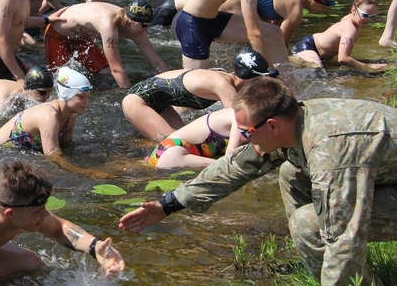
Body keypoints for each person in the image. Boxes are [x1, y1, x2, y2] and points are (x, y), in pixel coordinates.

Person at [120, 77, 397, 286]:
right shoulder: (296, 122)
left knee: (308, 225)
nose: (243, 139)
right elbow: (237, 167)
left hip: (356, 167)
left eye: (245, 132)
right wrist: (168, 204)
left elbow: (343, 237)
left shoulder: (330, 151)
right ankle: (318, 261)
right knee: (292, 173)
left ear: (272, 125)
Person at [122, 47, 277, 140]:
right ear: (250, 76)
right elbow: (237, 122)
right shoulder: (223, 84)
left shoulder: (227, 79)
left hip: (160, 103)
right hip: (138, 100)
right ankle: (127, 155)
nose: (263, 84)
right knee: (169, 145)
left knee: (183, 141)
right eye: (262, 79)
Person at [45, 0, 168, 89]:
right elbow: (117, 70)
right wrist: (130, 94)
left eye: (149, 25)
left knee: (106, 75)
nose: (146, 30)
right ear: (131, 20)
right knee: (57, 83)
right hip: (57, 35)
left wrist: (172, 84)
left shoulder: (137, 29)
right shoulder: (108, 25)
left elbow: (157, 62)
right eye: (144, 25)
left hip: (80, 38)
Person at [0, 66, 91, 155]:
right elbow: (53, 156)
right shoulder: (48, 114)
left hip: (9, 155)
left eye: (88, 96)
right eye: (81, 97)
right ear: (65, 94)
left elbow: (66, 148)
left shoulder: (70, 118)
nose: (87, 102)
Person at [221, 0, 336, 46]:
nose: (321, 11)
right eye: (322, 7)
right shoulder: (296, 9)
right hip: (232, 4)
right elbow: (279, 43)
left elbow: (275, 28)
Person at [293, 0, 387, 71]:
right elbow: (342, 59)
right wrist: (367, 67)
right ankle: (291, 59)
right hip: (310, 47)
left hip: (319, 51)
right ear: (353, 10)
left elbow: (347, 49)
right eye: (366, 15)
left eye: (373, 16)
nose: (369, 19)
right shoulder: (350, 29)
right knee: (319, 72)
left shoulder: (354, 20)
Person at [145, 107, 246, 168]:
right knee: (231, 168)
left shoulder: (235, 111)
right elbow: (229, 158)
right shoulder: (241, 117)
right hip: (173, 155)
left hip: (161, 151)